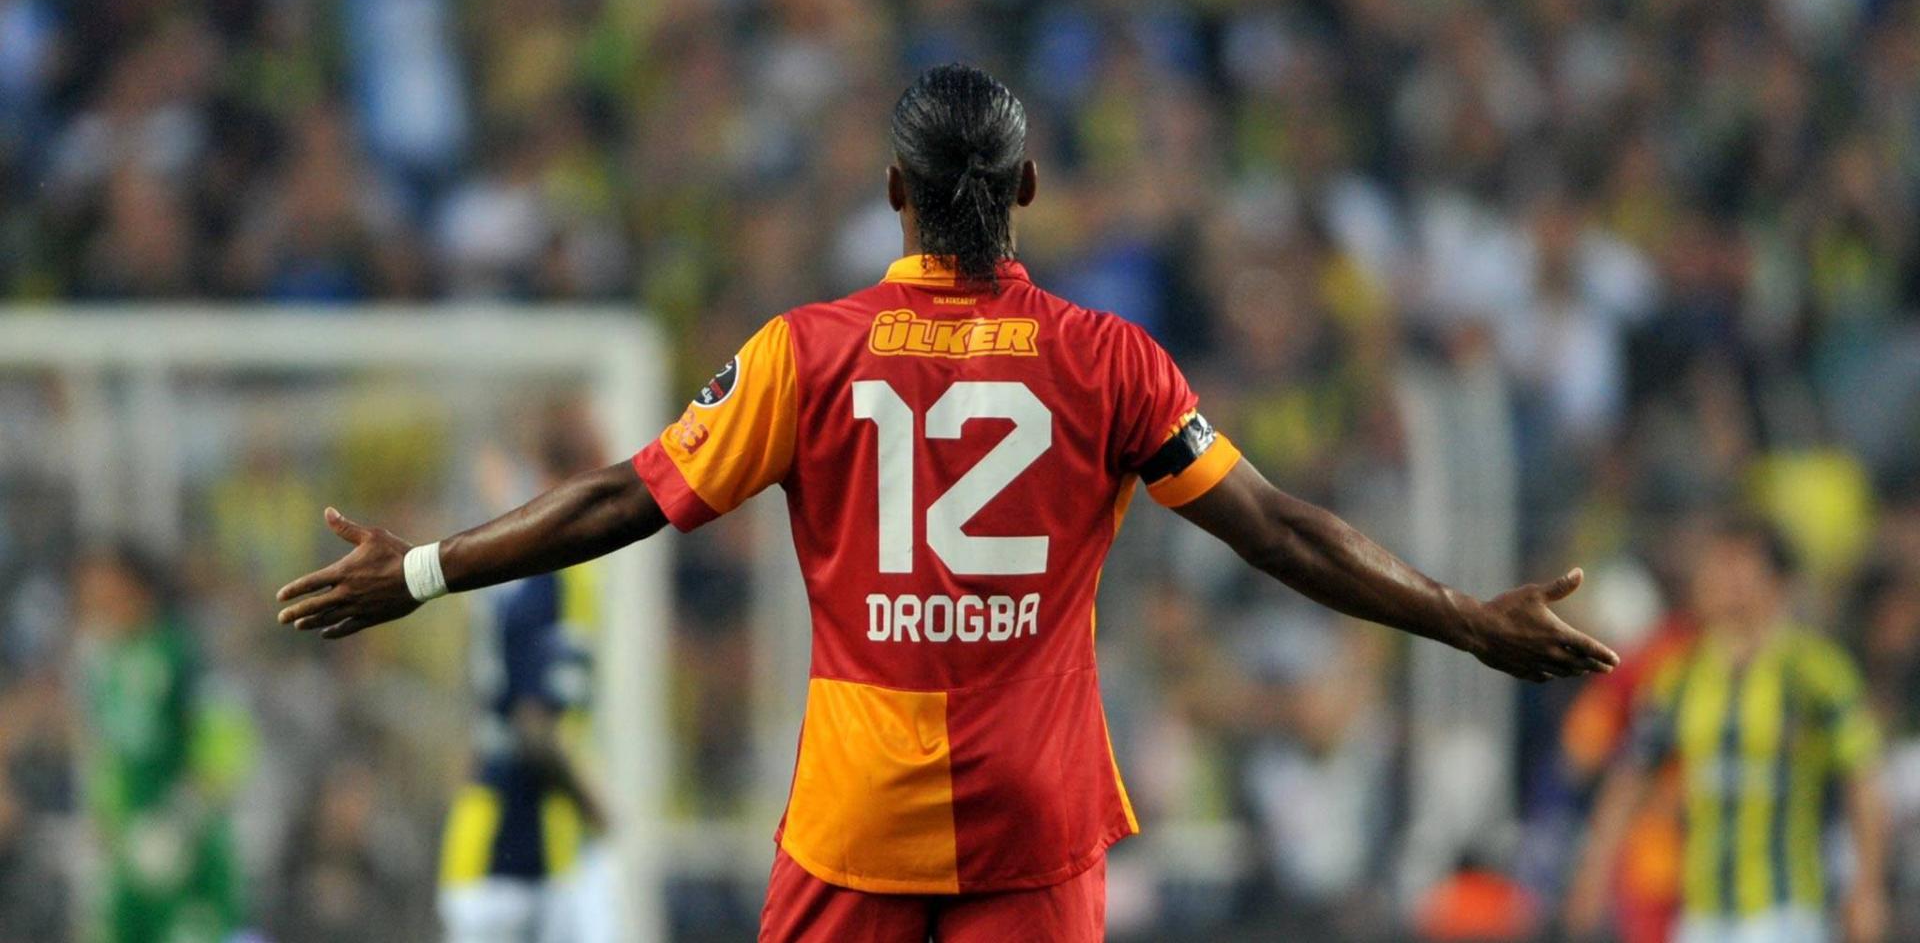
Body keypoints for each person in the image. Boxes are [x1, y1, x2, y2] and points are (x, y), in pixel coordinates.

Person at [275, 63, 1618, 942]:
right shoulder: (1112, 362)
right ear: (1028, 188)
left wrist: (422, 569)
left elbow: (626, 498)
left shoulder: (806, 353)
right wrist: (1465, 618)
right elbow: (1278, 530)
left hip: (858, 811)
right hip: (1037, 810)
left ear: (893, 195)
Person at [1564, 517, 1888, 943]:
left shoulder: (1816, 673)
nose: (1721, 580)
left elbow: (1861, 778)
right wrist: (1593, 875)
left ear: (1777, 581)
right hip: (1702, 911)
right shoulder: (1679, 677)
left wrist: (1868, 889)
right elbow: (1630, 775)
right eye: (1715, 566)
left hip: (1784, 910)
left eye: (1737, 565)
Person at [437, 437, 610, 942]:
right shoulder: (557, 576)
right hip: (529, 841)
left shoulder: (499, 581)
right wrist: (598, 808)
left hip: (484, 830)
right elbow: (535, 727)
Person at [76, 544, 246, 943]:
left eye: (104, 590)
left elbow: (226, 741)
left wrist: (181, 819)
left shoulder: (183, 654)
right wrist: (105, 823)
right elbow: (110, 754)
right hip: (130, 854)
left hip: (190, 857)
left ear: (137, 590)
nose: (94, 603)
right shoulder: (106, 664)